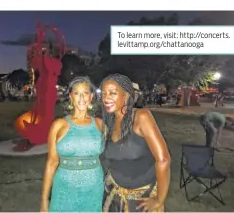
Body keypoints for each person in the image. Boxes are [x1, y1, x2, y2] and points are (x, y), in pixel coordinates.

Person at [101, 74, 170, 212]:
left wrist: (159, 199)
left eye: (113, 93)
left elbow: (163, 160)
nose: (106, 98)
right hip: (113, 193)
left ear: (125, 96)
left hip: (141, 198)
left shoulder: (141, 117)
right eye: (104, 93)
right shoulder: (109, 122)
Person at [41, 76, 104, 212]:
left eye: (85, 93)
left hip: (93, 189)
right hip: (64, 189)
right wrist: (44, 200)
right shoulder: (58, 125)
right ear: (70, 96)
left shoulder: (100, 124)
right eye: (76, 93)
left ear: (91, 96)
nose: (81, 98)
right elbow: (51, 163)